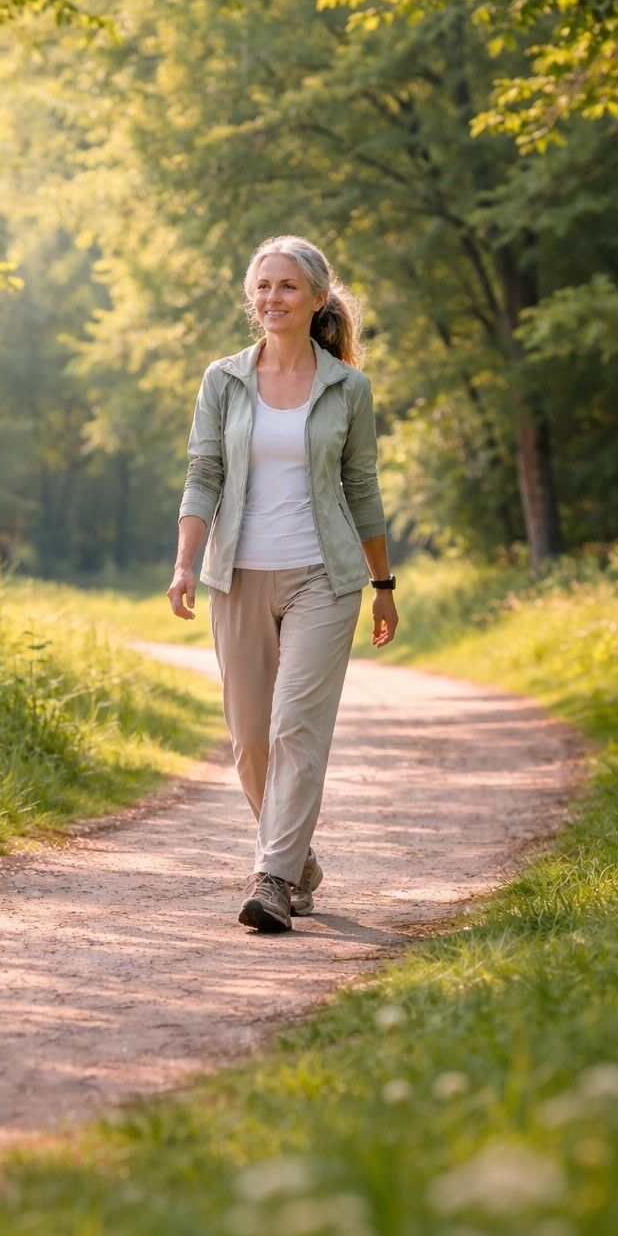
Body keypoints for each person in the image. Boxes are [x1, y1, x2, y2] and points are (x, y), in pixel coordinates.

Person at [167, 234, 398, 934]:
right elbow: (204, 473)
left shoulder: (348, 388)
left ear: (317, 298)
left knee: (296, 724)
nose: (273, 297)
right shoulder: (223, 380)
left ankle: (270, 877)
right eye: (263, 285)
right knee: (249, 739)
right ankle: (297, 857)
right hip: (237, 574)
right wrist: (184, 563)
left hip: (324, 577)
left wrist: (383, 583)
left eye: (288, 285)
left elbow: (362, 486)